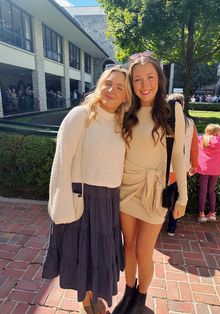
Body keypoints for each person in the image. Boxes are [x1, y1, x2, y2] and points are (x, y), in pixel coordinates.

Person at [42, 65, 132, 314]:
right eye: (108, 83)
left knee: (100, 257)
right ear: (99, 84)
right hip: (83, 200)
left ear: (127, 96)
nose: (111, 90)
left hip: (109, 201)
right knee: (85, 255)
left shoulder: (123, 123)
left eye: (120, 87)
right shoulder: (80, 115)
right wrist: (61, 204)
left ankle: (93, 296)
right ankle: (87, 300)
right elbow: (61, 162)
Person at [112, 52, 188, 314]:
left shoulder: (171, 110)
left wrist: (183, 197)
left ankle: (141, 299)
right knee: (129, 247)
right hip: (126, 189)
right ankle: (129, 293)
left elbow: (179, 155)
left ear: (160, 78)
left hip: (155, 192)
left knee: (144, 252)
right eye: (137, 79)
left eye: (150, 77)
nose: (144, 85)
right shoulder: (125, 109)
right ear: (131, 83)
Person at [167, 93, 199, 237]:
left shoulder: (163, 121)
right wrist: (194, 164)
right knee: (176, 198)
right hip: (181, 167)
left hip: (165, 167)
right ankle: (171, 227)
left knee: (164, 196)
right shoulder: (190, 123)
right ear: (183, 105)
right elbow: (194, 147)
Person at [197, 124, 220, 223]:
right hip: (215, 170)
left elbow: (193, 137)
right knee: (211, 190)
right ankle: (212, 213)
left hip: (203, 169)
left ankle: (202, 213)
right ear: (217, 133)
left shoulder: (201, 139)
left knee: (203, 190)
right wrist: (218, 136)